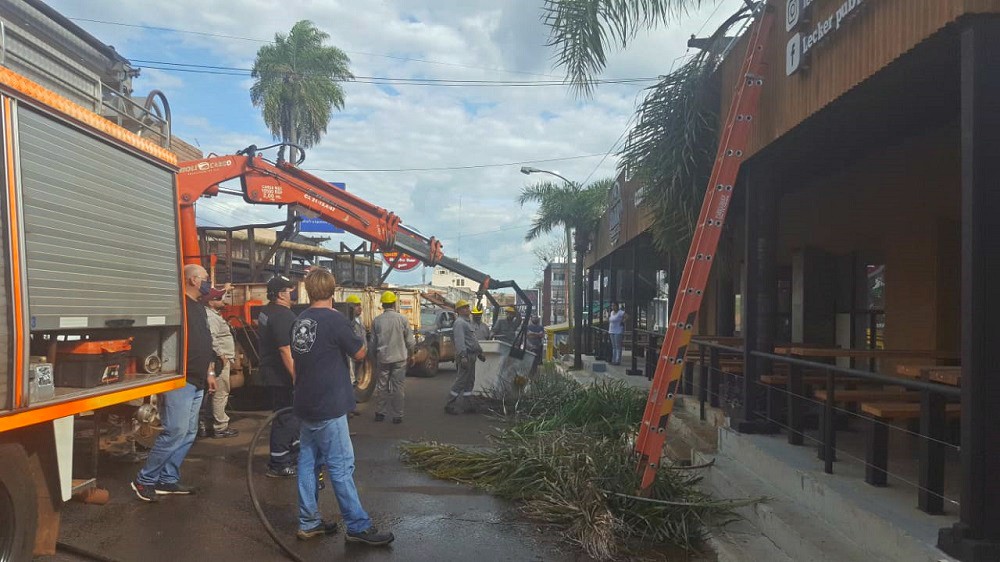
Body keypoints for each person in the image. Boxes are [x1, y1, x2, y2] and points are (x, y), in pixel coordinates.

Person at [291, 267, 395, 546]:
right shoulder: (335, 321)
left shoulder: (300, 320)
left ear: (309, 291)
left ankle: (309, 521)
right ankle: (358, 525)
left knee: (308, 463)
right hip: (329, 405)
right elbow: (360, 353)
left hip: (305, 403)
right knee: (340, 466)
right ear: (333, 291)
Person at [131, 264, 217, 502]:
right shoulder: (178, 307)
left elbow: (206, 341)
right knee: (175, 431)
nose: (210, 283)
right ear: (192, 280)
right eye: (206, 278)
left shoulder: (199, 308)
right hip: (182, 380)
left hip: (198, 380)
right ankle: (145, 480)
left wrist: (209, 373)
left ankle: (167, 479)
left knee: (188, 432)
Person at [258, 274, 300, 478]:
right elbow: (285, 350)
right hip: (282, 375)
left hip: (271, 372)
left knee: (286, 416)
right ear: (282, 294)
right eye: (290, 289)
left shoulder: (267, 311)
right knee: (287, 417)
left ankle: (291, 454)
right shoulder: (284, 315)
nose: (294, 292)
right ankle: (280, 462)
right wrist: (296, 377)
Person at [371, 291, 415, 424]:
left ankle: (380, 413)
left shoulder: (377, 321)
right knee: (398, 387)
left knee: (381, 386)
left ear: (383, 305)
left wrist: (374, 357)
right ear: (394, 303)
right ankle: (397, 415)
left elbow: (373, 343)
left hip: (383, 358)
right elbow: (410, 342)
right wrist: (411, 355)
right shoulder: (402, 319)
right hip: (399, 358)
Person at [205, 285, 238, 438]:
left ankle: (209, 425)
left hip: (219, 360)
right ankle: (220, 427)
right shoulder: (211, 317)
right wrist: (222, 356)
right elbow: (211, 339)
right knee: (220, 392)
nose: (223, 300)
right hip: (219, 361)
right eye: (219, 298)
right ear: (211, 302)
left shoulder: (213, 314)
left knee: (214, 393)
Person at [445, 300, 485, 415]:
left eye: (467, 307)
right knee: (461, 381)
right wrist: (463, 356)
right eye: (464, 307)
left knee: (470, 381)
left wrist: (479, 352)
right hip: (466, 355)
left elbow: (473, 341)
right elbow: (460, 341)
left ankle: (467, 405)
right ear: (458, 311)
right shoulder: (459, 323)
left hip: (472, 355)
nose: (467, 309)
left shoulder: (468, 322)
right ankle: (449, 404)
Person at [345, 294, 366, 417]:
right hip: (351, 356)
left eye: (360, 305)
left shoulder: (359, 321)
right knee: (350, 381)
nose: (359, 308)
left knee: (355, 381)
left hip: (359, 355)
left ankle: (352, 406)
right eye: (357, 305)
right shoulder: (349, 322)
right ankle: (347, 409)